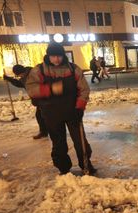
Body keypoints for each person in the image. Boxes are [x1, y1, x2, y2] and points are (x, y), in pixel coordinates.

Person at [25, 42, 97, 175]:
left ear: (63, 55)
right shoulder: (39, 70)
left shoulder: (73, 69)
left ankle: (86, 164)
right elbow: (31, 89)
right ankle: (63, 168)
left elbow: (84, 89)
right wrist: (51, 89)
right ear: (48, 56)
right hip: (51, 114)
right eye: (53, 56)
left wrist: (79, 108)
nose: (56, 59)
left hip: (72, 112)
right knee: (58, 143)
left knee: (81, 142)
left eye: (59, 56)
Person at [3, 65, 48, 139]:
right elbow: (20, 84)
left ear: (21, 71)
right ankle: (44, 132)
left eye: (19, 74)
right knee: (40, 116)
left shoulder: (32, 74)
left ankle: (47, 132)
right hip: (38, 99)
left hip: (43, 98)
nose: (19, 76)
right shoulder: (25, 76)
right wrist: (9, 79)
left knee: (43, 116)